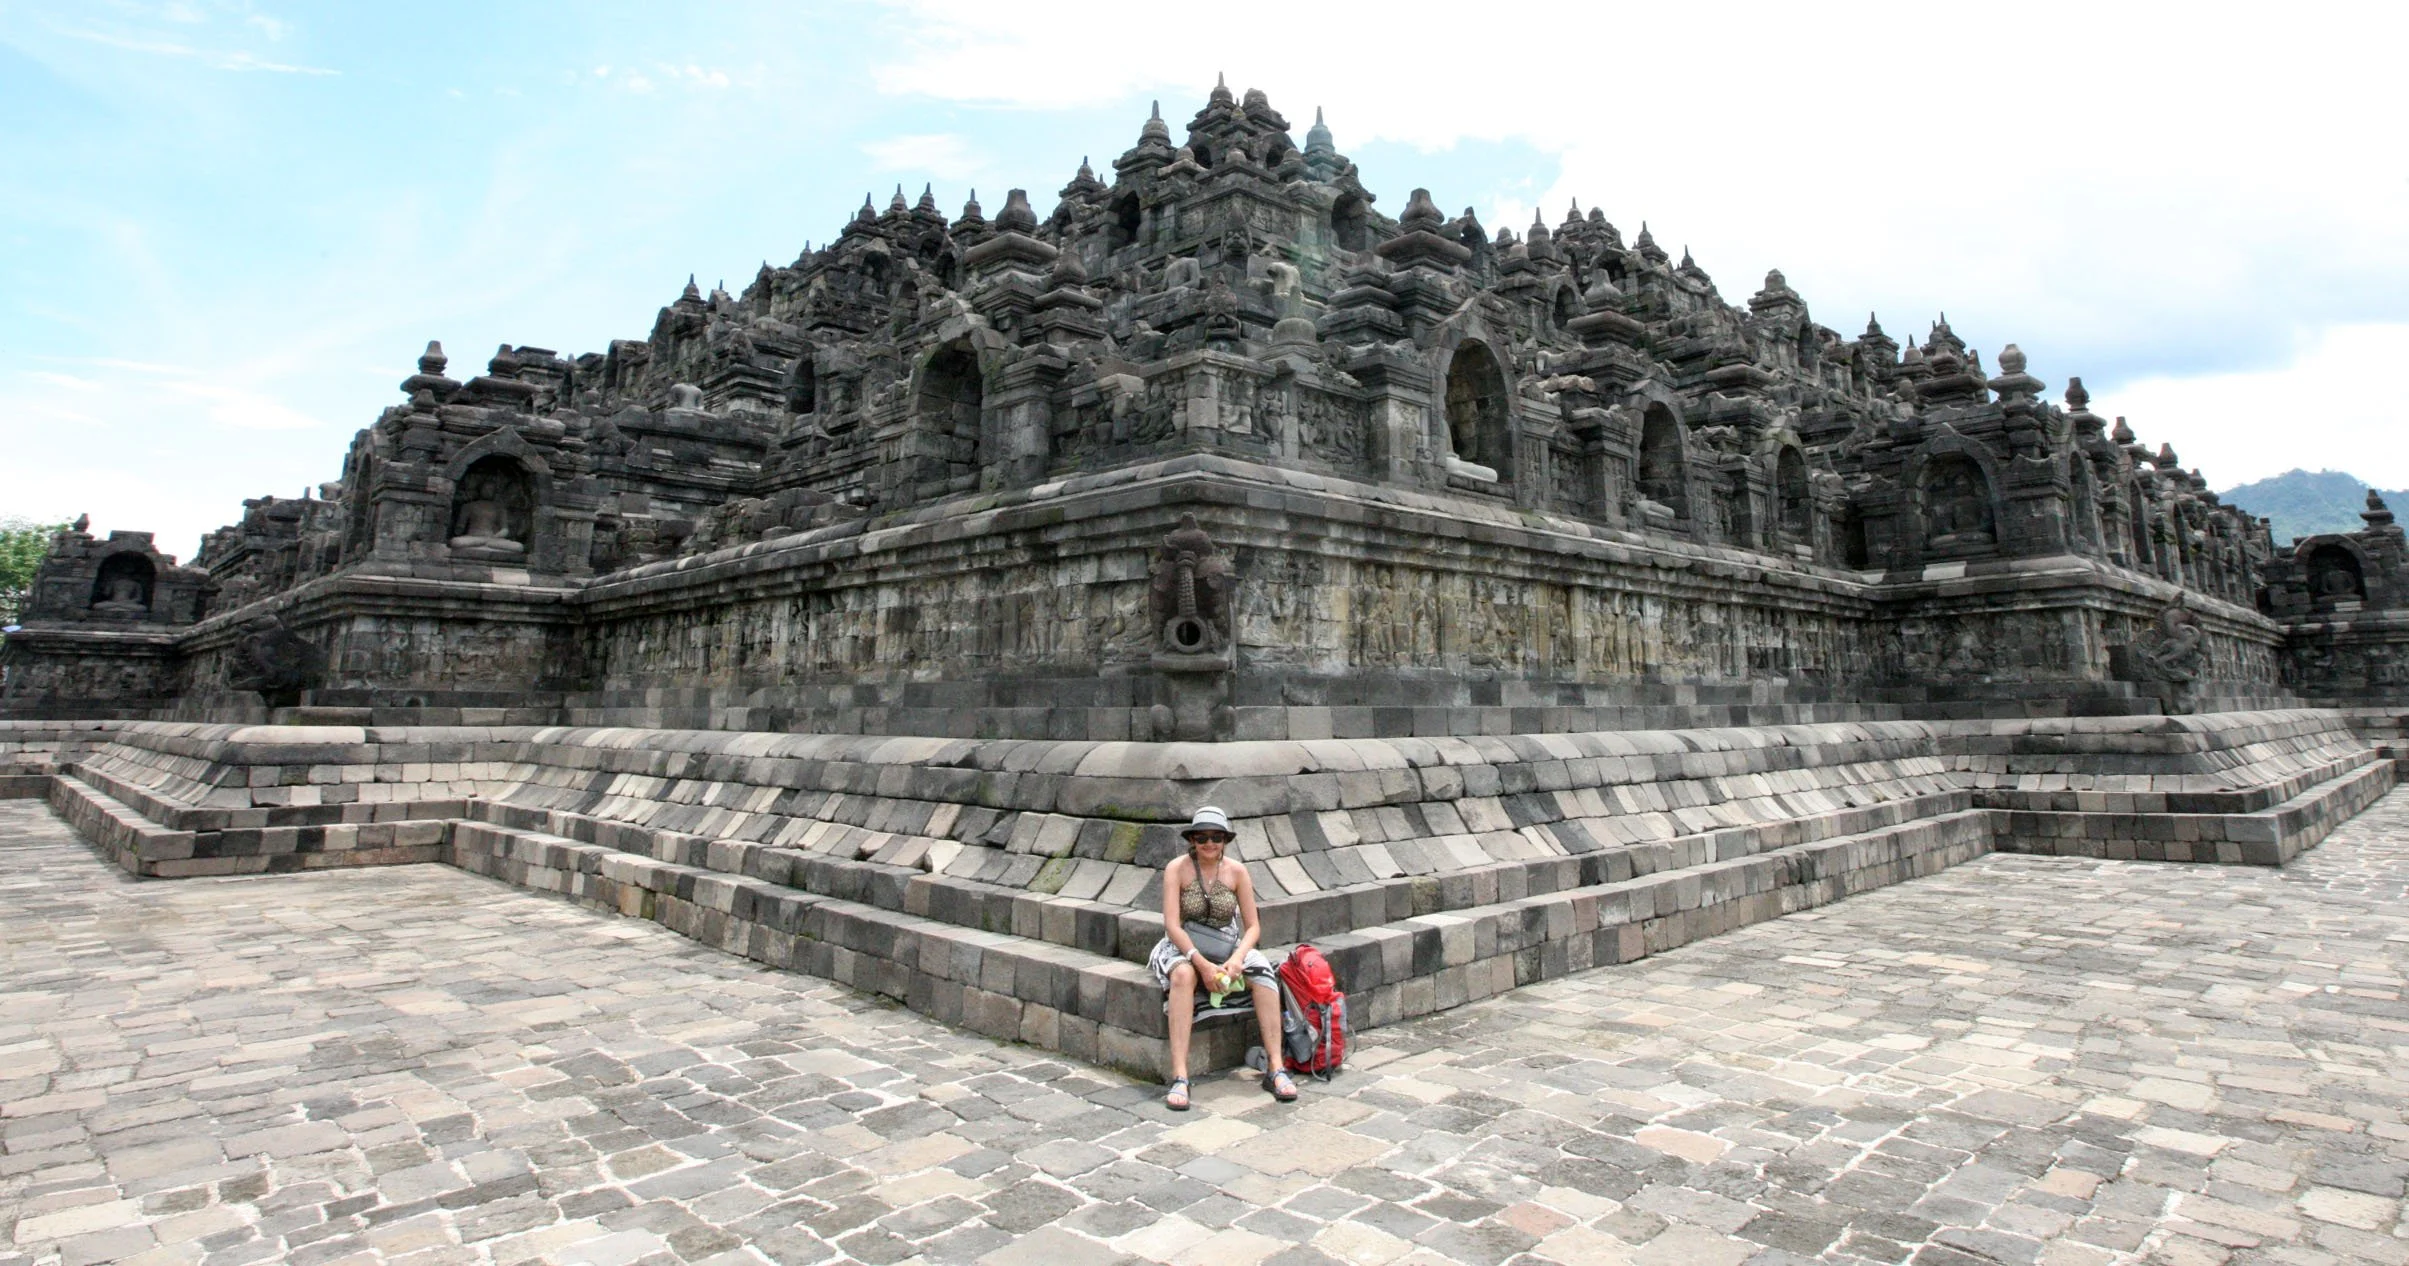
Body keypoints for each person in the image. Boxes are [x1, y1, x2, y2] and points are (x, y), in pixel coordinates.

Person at [1151, 806, 1297, 1110]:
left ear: (1225, 841)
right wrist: (1200, 963)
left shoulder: (1237, 871)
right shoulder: (1176, 869)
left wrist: (1238, 959)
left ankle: (1275, 1066)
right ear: (1192, 839)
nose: (1209, 843)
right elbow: (1172, 924)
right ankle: (1180, 1074)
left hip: (1228, 944)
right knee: (1182, 976)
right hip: (1184, 943)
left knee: (1265, 975)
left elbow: (1253, 925)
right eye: (1202, 837)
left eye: (1216, 837)